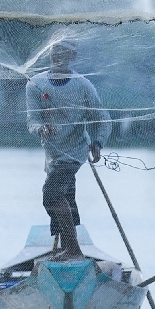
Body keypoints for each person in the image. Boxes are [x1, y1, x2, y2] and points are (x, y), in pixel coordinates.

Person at [26, 38, 111, 260]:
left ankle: (73, 249)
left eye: (64, 52)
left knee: (51, 195)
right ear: (49, 54)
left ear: (73, 57)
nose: (59, 56)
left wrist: (97, 142)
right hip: (52, 153)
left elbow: (102, 119)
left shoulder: (83, 86)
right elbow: (32, 121)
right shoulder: (36, 84)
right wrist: (42, 128)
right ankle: (63, 248)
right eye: (55, 51)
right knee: (67, 198)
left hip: (74, 152)